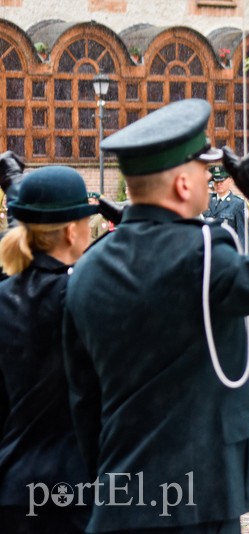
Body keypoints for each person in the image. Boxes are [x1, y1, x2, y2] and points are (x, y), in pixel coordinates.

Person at [62, 98, 249, 532]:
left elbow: (83, 401)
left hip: (120, 491)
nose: (210, 178)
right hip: (200, 494)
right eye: (204, 169)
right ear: (183, 184)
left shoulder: (88, 267)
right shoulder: (203, 253)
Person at [0, 160, 95, 533]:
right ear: (72, 232)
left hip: (10, 484)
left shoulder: (5, 295)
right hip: (71, 493)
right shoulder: (85, 296)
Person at [205, 164, 248, 248]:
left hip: (227, 250)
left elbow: (242, 235)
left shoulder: (238, 204)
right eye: (216, 181)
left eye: (222, 181)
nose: (218, 184)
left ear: (230, 181)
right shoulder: (206, 200)